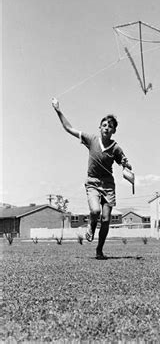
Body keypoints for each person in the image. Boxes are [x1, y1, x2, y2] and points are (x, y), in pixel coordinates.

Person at [51, 98, 132, 260]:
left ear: (114, 130)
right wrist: (58, 110)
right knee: (95, 211)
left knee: (107, 219)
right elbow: (69, 128)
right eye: (104, 125)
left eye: (110, 126)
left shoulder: (116, 147)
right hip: (92, 183)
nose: (107, 128)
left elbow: (124, 163)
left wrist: (126, 165)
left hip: (108, 186)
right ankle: (91, 225)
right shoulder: (91, 139)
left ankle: (99, 249)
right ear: (100, 127)